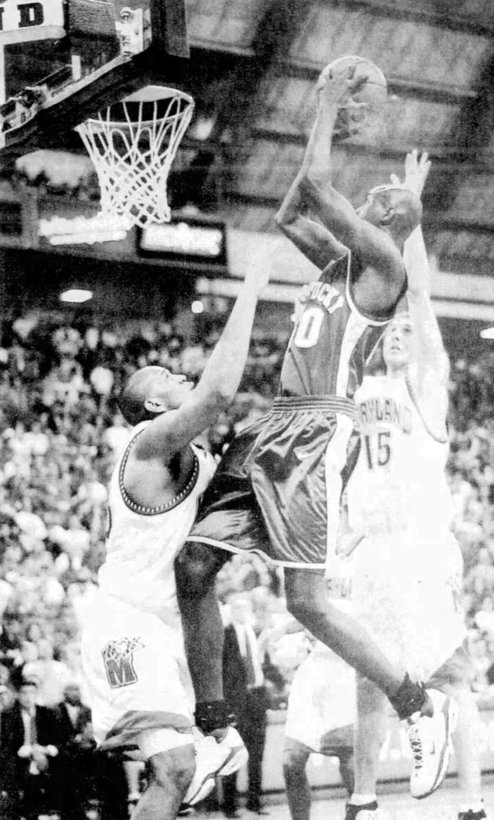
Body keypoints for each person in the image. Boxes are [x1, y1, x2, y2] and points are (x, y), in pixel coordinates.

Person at [176, 65, 456, 801]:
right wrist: (324, 122)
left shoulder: (383, 266)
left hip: (316, 433)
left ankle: (417, 704)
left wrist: (328, 108)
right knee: (194, 566)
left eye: (384, 198)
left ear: (393, 222)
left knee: (305, 602)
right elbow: (294, 205)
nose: (373, 193)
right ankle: (216, 730)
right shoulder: (338, 265)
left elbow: (321, 189)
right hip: (275, 424)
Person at [80, 262, 270, 820]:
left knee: (179, 772)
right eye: (163, 375)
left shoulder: (199, 461)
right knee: (174, 769)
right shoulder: (144, 445)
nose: (177, 375)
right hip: (125, 623)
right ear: (155, 408)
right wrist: (252, 288)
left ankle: (211, 736)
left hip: (168, 631)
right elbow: (216, 394)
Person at [344, 151, 487, 820]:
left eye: (410, 331)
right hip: (373, 550)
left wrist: (414, 212)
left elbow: (419, 295)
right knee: (369, 675)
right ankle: (363, 797)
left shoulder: (428, 391)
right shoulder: (361, 387)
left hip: (422, 546)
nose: (403, 332)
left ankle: (472, 801)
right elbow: (368, 299)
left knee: (452, 675)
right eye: (393, 328)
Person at [283, 588, 356, 820]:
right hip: (311, 676)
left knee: (348, 758)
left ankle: (359, 811)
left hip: (342, 673)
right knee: (290, 761)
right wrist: (279, 630)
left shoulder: (353, 601)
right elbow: (305, 615)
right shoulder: (307, 586)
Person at [221, 592, 269, 817]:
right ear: (230, 610)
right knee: (233, 752)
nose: (241, 611)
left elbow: (265, 664)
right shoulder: (225, 635)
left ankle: (255, 801)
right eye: (237, 607)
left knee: (257, 753)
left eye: (245, 607)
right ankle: (229, 805)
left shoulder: (258, 632)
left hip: (257, 698)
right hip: (235, 701)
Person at [0, 676, 60, 820]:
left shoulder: (47, 713)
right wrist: (30, 751)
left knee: (63, 763)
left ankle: (58, 811)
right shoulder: (8, 716)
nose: (28, 697)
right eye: (24, 693)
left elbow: (57, 739)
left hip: (44, 754)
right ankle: (26, 812)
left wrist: (44, 750)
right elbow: (6, 744)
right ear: (18, 695)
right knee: (13, 768)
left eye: (32, 693)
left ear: (37, 694)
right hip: (20, 757)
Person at [53, 682, 95, 820]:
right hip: (63, 748)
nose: (74, 693)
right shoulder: (55, 710)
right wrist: (71, 740)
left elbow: (90, 729)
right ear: (65, 693)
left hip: (83, 750)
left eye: (77, 690)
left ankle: (84, 806)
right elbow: (54, 732)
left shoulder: (87, 710)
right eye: (71, 690)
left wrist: (84, 738)